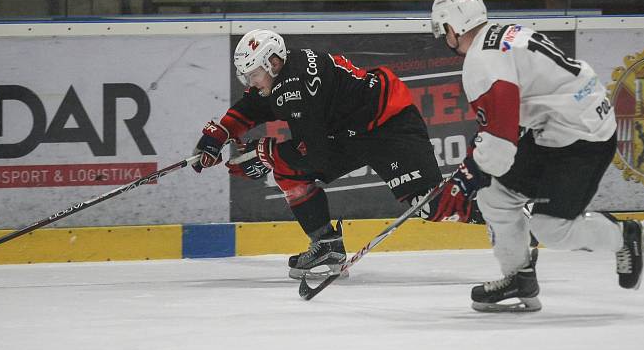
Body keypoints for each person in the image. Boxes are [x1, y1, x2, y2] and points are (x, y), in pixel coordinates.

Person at [429, 0, 644, 312]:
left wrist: (470, 172)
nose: (442, 36)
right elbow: (509, 124)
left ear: (452, 26)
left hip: (583, 136)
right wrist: (475, 168)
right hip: (560, 125)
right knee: (495, 195)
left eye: (441, 29)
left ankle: (625, 235)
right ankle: (519, 278)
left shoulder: (481, 64)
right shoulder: (500, 32)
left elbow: (501, 145)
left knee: (551, 228)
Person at [191, 29, 483, 279]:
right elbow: (255, 105)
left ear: (273, 62)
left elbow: (316, 156)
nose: (252, 82)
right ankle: (326, 246)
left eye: (254, 74)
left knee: (428, 205)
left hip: (388, 126)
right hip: (351, 133)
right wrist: (220, 133)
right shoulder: (281, 74)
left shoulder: (295, 87)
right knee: (287, 168)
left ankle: (507, 213)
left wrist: (266, 154)